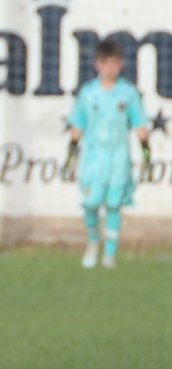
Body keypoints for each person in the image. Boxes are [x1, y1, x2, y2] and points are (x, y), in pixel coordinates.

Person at [67, 38, 149, 269]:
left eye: (114, 63)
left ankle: (110, 254)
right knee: (91, 202)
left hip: (118, 158)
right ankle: (93, 241)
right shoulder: (88, 93)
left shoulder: (128, 93)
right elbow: (77, 125)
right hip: (94, 159)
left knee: (114, 204)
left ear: (121, 64)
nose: (110, 68)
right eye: (106, 63)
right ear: (97, 65)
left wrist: (147, 155)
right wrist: (70, 155)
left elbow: (140, 125)